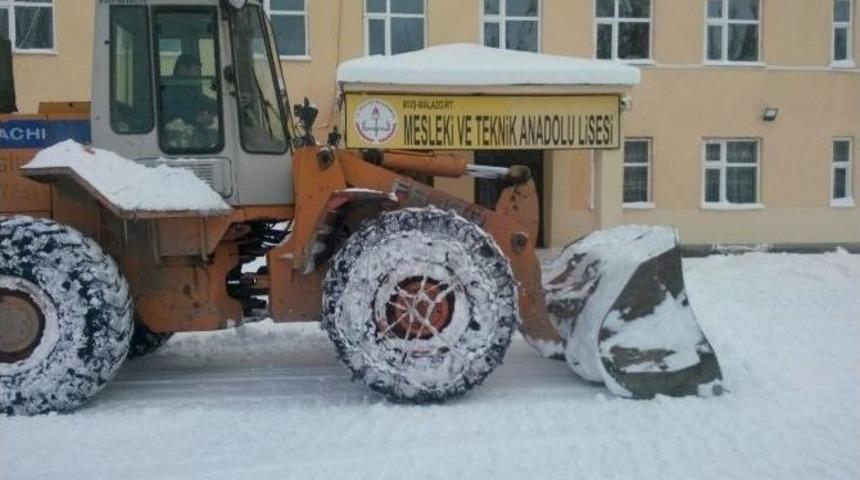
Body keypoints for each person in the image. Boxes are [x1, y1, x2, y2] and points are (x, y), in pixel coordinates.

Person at [161, 54, 218, 150]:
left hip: (193, 131)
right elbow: (170, 110)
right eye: (195, 70)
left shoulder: (189, 88)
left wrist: (221, 106)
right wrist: (195, 117)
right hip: (174, 134)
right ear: (183, 69)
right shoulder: (169, 87)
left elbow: (203, 101)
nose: (198, 75)